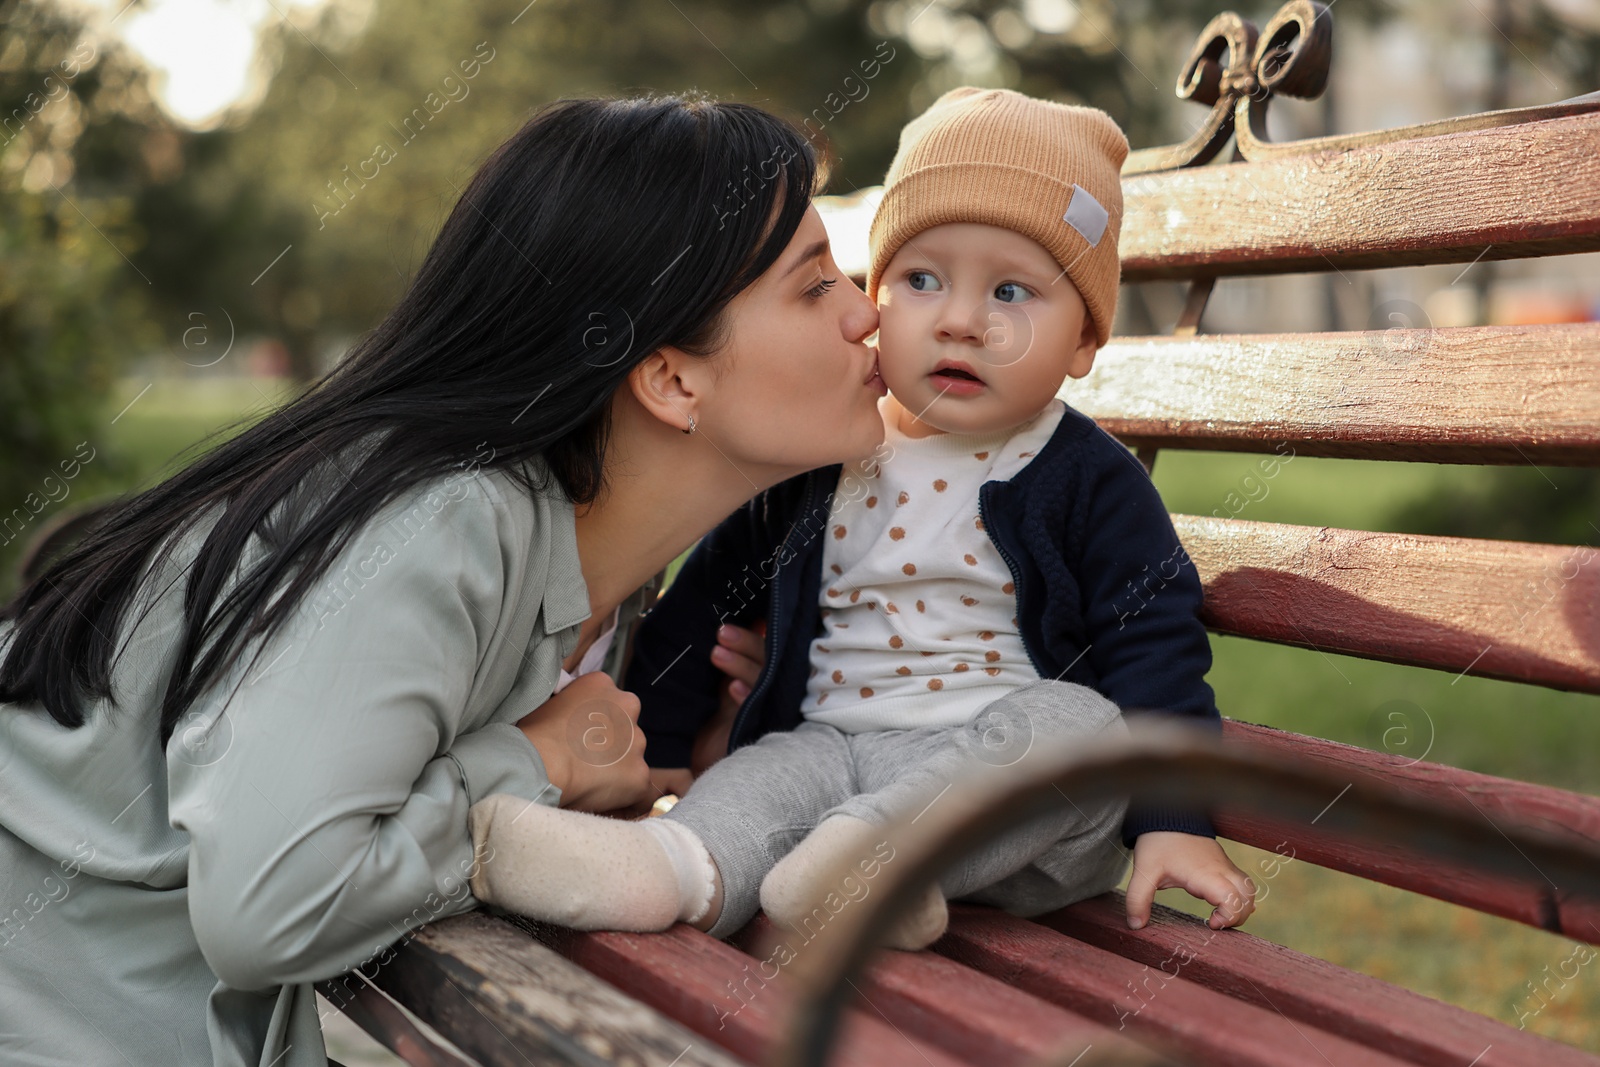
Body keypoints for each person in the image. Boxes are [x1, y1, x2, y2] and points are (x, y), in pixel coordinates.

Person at [0, 94, 886, 1066]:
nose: (867, 310)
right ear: (671, 378)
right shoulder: (437, 524)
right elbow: (273, 909)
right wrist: (537, 765)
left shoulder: (600, 564)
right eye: (815, 285)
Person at [466, 88, 1258, 946]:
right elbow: (705, 602)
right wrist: (656, 741)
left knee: (1079, 729)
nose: (961, 320)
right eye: (921, 280)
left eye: (1012, 292)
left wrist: (1174, 818)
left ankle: (877, 864)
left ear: (1081, 344)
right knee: (762, 778)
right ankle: (666, 870)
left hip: (1013, 808)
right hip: (834, 754)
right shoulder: (820, 464)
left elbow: (1156, 644)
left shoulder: (1086, 479)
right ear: (876, 295)